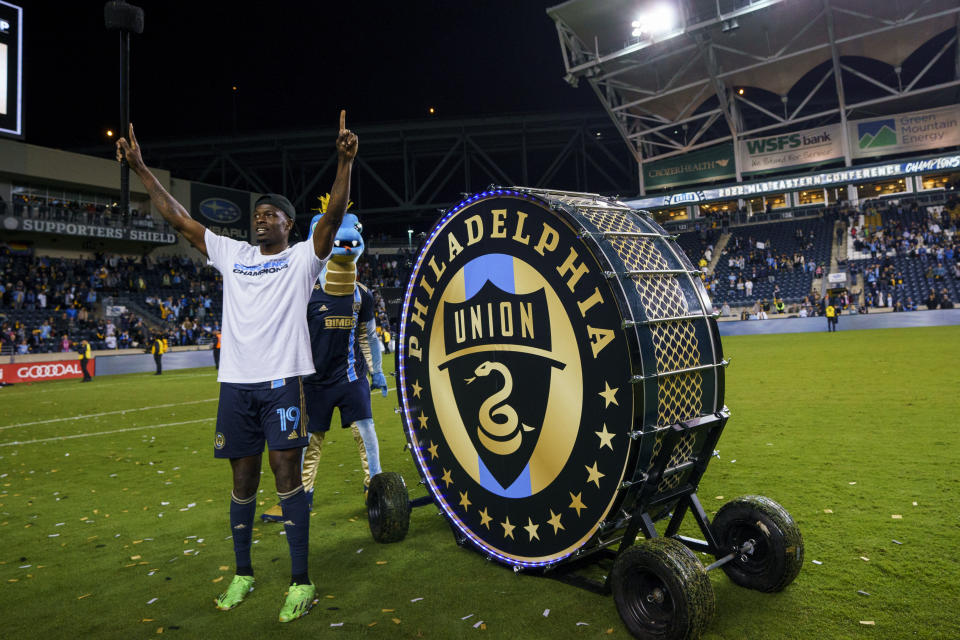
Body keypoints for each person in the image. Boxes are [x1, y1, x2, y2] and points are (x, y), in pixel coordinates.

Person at [117, 112, 357, 623]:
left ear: (290, 225)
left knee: (286, 473)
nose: (262, 218)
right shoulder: (233, 253)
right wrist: (140, 167)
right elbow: (179, 218)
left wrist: (343, 162)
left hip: (283, 382)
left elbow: (333, 219)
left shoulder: (301, 260)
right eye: (260, 213)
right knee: (243, 480)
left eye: (273, 215)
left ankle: (300, 580)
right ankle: (243, 572)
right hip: (236, 387)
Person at [262, 207, 388, 522]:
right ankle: (301, 497)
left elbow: (368, 337)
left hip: (350, 377)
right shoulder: (303, 290)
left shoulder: (362, 295)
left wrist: (378, 372)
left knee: (366, 433)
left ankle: (376, 490)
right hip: (314, 382)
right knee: (309, 442)